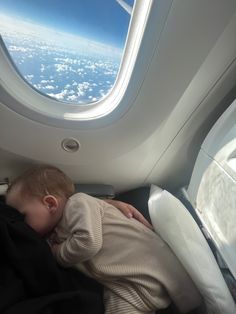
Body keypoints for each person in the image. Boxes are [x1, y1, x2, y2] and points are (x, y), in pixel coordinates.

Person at [6, 165, 202, 314]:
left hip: (146, 272)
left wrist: (56, 253)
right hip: (122, 285)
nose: (21, 223)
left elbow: (88, 242)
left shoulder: (78, 204)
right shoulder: (55, 229)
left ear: (50, 203)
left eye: (24, 215)